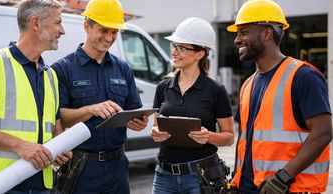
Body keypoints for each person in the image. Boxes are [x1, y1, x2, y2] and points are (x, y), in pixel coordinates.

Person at [0, 0, 72, 193]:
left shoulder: (50, 75)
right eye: (58, 23)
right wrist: (21, 146)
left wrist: (58, 148)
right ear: (36, 23)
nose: (63, 31)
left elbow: (55, 127)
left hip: (40, 186)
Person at [227, 0, 332, 193]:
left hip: (289, 188)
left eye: (244, 32)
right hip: (249, 187)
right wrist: (236, 180)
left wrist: (283, 177)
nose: (236, 40)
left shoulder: (303, 76)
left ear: (267, 33)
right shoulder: (248, 84)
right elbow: (244, 138)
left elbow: (323, 132)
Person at [51, 0, 148, 193]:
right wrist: (90, 110)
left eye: (114, 32)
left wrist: (138, 122)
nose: (110, 38)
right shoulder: (62, 69)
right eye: (104, 30)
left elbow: (133, 111)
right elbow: (57, 117)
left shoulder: (123, 68)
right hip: (81, 168)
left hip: (117, 167)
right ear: (87, 26)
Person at [150, 17, 235, 194]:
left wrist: (208, 136)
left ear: (200, 54)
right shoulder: (163, 88)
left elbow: (229, 137)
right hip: (164, 176)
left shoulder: (215, 90)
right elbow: (155, 128)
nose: (174, 51)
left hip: (200, 176)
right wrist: (155, 133)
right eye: (174, 46)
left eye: (182, 48)